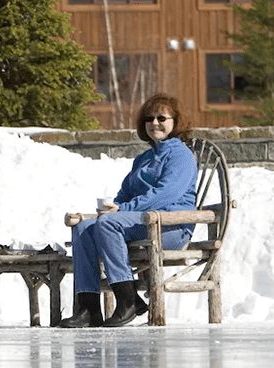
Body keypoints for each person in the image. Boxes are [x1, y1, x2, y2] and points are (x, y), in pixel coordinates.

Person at [60, 93, 198, 329]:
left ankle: (127, 300)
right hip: (142, 223)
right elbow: (126, 193)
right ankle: (88, 309)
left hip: (171, 226)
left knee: (108, 224)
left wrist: (123, 210)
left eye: (161, 118)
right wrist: (114, 206)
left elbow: (166, 194)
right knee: (83, 228)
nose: (154, 123)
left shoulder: (181, 155)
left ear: (176, 122)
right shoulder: (144, 158)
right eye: (149, 118)